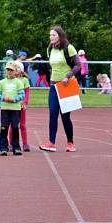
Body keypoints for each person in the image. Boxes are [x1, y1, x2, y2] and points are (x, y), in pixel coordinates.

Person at [39, 25, 81, 153]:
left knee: (65, 116)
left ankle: (70, 142)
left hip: (66, 85)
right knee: (52, 113)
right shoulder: (50, 49)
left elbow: (78, 65)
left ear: (60, 36)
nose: (51, 37)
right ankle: (51, 142)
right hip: (54, 85)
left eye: (53, 35)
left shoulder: (69, 48)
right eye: (50, 35)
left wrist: (68, 76)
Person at [0, 60, 24, 155]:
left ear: (15, 71)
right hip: (5, 109)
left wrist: (13, 99)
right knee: (4, 128)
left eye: (11, 70)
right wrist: (3, 98)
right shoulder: (1, 82)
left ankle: (16, 147)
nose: (9, 72)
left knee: (15, 127)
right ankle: (3, 147)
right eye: (8, 70)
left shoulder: (18, 82)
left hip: (15, 109)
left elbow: (22, 95)